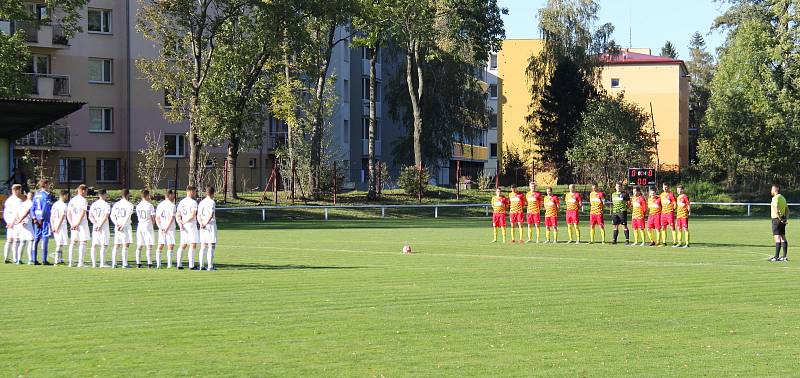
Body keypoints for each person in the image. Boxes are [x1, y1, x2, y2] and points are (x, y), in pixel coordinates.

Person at [176, 186, 200, 269]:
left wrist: (180, 223)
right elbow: (193, 215)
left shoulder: (181, 202)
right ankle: (191, 265)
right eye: (194, 191)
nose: (195, 193)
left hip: (184, 225)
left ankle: (179, 264)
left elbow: (178, 215)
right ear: (189, 191)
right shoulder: (193, 202)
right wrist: (185, 221)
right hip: (190, 225)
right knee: (193, 244)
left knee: (183, 245)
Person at [31, 179, 54, 264]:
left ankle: (34, 259)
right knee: (45, 238)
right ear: (45, 185)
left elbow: (32, 208)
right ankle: (44, 260)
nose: (49, 186)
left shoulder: (36, 195)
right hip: (44, 220)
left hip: (36, 220)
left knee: (36, 238)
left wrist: (34, 218)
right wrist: (41, 219)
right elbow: (45, 208)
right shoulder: (47, 195)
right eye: (48, 184)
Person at [67, 185, 90, 267]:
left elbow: (68, 213)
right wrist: (77, 223)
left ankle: (70, 262)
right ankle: (80, 263)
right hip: (81, 223)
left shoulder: (72, 200)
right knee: (83, 242)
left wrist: (71, 224)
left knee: (73, 242)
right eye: (86, 191)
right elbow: (83, 213)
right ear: (83, 190)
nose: (86, 193)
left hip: (73, 223)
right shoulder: (83, 200)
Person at [110, 189, 134, 268]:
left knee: (116, 245)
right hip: (125, 226)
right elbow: (127, 216)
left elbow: (112, 215)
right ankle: (124, 263)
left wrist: (117, 224)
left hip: (117, 226)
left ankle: (114, 263)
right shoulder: (129, 204)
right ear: (128, 194)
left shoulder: (116, 204)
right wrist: (122, 225)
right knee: (125, 245)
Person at [89, 189, 111, 268]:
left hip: (96, 226)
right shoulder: (106, 204)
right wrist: (100, 225)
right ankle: (102, 263)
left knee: (94, 245)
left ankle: (94, 263)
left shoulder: (94, 204)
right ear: (104, 194)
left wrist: (95, 224)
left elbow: (90, 216)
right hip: (103, 226)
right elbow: (106, 216)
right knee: (103, 245)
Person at [135, 190, 156, 268]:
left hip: (140, 225)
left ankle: (138, 262)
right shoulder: (149, 205)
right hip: (147, 225)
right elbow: (153, 217)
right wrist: (152, 223)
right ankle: (149, 263)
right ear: (147, 196)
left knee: (139, 245)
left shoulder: (138, 206)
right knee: (149, 245)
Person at [156, 190, 177, 269]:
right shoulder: (172, 205)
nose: (174, 196)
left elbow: (157, 218)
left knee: (160, 245)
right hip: (170, 228)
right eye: (173, 195)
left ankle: (158, 264)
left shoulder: (160, 205)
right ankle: (169, 264)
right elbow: (172, 218)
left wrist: (160, 227)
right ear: (170, 195)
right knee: (170, 246)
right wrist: (167, 228)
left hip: (162, 228)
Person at [198, 186, 217, 271]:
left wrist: (201, 223)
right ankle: (210, 266)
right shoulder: (211, 202)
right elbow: (211, 214)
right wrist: (205, 223)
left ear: (206, 192)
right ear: (213, 193)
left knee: (203, 245)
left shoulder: (201, 202)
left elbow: (198, 215)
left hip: (202, 226)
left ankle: (201, 266)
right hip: (210, 225)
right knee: (211, 245)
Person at [3, 184, 22, 263]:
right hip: (15, 223)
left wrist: (8, 222)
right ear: (16, 190)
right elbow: (17, 213)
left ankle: (6, 258)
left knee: (9, 240)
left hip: (9, 222)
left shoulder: (8, 200)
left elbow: (5, 213)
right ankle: (15, 258)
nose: (20, 192)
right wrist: (12, 222)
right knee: (16, 240)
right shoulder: (18, 201)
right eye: (20, 190)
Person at [49, 190, 69, 265]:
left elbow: (51, 216)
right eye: (66, 195)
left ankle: (60, 259)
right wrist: (57, 226)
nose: (67, 197)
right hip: (60, 226)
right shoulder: (63, 205)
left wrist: (52, 225)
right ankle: (56, 261)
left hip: (55, 225)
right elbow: (62, 216)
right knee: (59, 244)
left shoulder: (55, 204)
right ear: (63, 195)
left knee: (60, 243)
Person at [15, 192, 35, 264]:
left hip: (21, 224)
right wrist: (21, 220)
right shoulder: (31, 203)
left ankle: (19, 260)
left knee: (22, 242)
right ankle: (30, 260)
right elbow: (27, 212)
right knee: (30, 240)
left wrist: (19, 221)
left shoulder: (22, 203)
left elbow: (17, 213)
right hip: (27, 223)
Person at [770, 184, 788, 262]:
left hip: (776, 219)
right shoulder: (783, 198)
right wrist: (785, 218)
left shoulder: (775, 198)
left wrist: (780, 219)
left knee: (777, 238)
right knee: (783, 237)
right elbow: (787, 210)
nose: (771, 190)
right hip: (782, 219)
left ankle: (776, 257)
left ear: (775, 190)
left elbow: (776, 210)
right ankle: (784, 256)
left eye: (772, 189)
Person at [660, 183, 678, 247]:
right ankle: (664, 242)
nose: (665, 188)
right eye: (664, 187)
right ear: (662, 187)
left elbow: (675, 203)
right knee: (663, 227)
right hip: (663, 214)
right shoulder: (661, 195)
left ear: (668, 187)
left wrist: (673, 209)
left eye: (666, 187)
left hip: (670, 213)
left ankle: (674, 242)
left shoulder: (671, 195)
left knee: (672, 227)